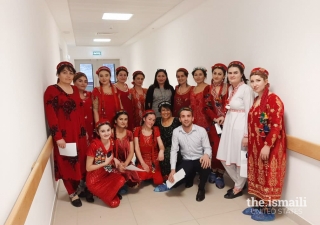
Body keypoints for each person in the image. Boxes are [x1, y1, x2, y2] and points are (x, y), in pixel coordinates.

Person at [243, 68, 286, 222]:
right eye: (252, 81)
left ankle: (268, 210)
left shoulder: (273, 99)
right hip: (256, 146)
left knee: (268, 176)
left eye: (258, 81)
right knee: (257, 175)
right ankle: (259, 206)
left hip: (269, 147)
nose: (254, 84)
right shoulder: (256, 100)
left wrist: (267, 145)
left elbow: (276, 125)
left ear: (266, 81)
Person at [44, 61, 88, 207]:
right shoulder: (51, 90)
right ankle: (71, 193)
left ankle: (79, 188)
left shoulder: (75, 89)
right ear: (58, 74)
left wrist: (84, 131)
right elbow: (51, 116)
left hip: (79, 133)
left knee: (80, 160)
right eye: (64, 72)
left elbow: (79, 112)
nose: (68, 76)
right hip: (64, 135)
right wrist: (58, 137)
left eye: (71, 73)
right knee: (67, 162)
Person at [216, 61, 254, 199]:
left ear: (242, 74)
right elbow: (230, 108)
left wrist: (246, 135)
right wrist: (223, 118)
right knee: (225, 156)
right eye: (230, 73)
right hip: (229, 126)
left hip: (240, 128)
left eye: (235, 72)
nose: (232, 75)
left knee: (238, 158)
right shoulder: (232, 89)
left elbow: (249, 113)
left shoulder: (246, 89)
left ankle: (238, 186)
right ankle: (239, 182)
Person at [169, 107, 212, 202]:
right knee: (173, 183)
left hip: (200, 159)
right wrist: (173, 170)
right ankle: (190, 176)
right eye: (183, 116)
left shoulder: (201, 131)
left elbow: (207, 148)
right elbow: (174, 151)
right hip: (187, 161)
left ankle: (201, 188)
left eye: (188, 116)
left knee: (206, 165)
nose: (186, 119)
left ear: (193, 118)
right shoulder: (176, 131)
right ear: (180, 119)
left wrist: (206, 155)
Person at [86, 120, 125, 208]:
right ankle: (92, 191)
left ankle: (108, 193)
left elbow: (110, 155)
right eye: (103, 131)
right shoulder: (94, 145)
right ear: (97, 132)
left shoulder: (111, 141)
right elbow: (88, 168)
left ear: (111, 130)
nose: (106, 133)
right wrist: (105, 163)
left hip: (106, 173)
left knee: (122, 179)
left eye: (108, 130)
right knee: (114, 204)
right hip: (94, 179)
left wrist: (115, 160)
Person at [203, 63, 229, 189]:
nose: (217, 76)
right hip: (213, 123)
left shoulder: (229, 88)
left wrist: (224, 116)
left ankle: (221, 174)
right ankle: (213, 171)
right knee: (215, 147)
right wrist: (215, 118)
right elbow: (206, 106)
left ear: (224, 75)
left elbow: (230, 104)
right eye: (215, 73)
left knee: (224, 148)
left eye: (220, 73)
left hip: (227, 123)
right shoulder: (208, 89)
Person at [153, 101, 181, 192]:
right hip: (160, 146)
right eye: (163, 110)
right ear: (160, 112)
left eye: (168, 110)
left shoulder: (177, 120)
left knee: (167, 154)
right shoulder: (157, 121)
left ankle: (168, 181)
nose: (166, 112)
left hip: (174, 147)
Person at [133, 109, 165, 185]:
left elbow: (161, 145)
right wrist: (143, 163)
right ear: (144, 119)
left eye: (153, 120)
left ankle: (152, 175)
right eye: (149, 119)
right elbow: (136, 148)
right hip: (143, 159)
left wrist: (161, 151)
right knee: (136, 180)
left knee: (159, 181)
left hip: (154, 160)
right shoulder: (137, 130)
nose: (151, 122)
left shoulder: (156, 129)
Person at [113, 110, 141, 194]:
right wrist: (117, 163)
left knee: (135, 183)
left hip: (126, 161)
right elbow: (107, 152)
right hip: (113, 161)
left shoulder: (129, 133)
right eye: (121, 119)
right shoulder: (110, 133)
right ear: (115, 121)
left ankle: (123, 182)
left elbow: (131, 152)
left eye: (125, 119)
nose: (123, 121)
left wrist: (125, 163)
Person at [73, 72, 95, 142]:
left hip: (91, 125)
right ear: (74, 82)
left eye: (85, 81)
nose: (83, 83)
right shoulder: (71, 96)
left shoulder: (89, 94)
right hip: (77, 126)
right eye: (80, 81)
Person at [190, 67, 211, 131]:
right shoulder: (192, 89)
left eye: (200, 74)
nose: (198, 77)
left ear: (205, 76)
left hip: (205, 118)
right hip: (193, 118)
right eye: (195, 75)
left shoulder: (208, 87)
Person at [114, 66, 134, 131]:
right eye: (121, 75)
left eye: (125, 75)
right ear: (117, 76)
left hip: (129, 111)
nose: (123, 77)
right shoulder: (114, 87)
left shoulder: (127, 87)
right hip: (120, 112)